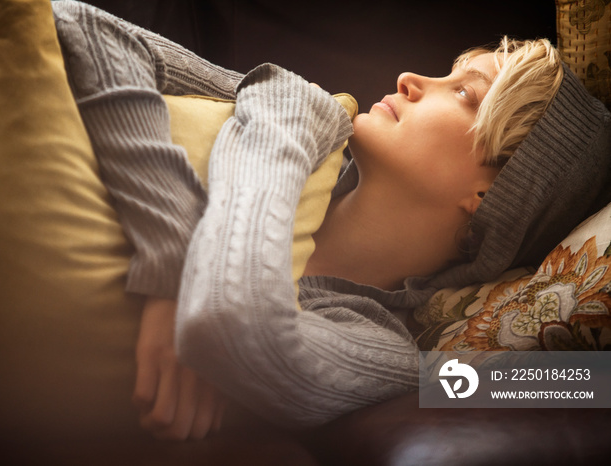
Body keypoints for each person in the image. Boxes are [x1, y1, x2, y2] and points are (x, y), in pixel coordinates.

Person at [52, 0, 611, 441]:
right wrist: (171, 257)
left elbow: (235, 322)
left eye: (464, 92)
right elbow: (71, 24)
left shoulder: (382, 349)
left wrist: (284, 122)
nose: (411, 78)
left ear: (492, 197)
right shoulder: (315, 125)